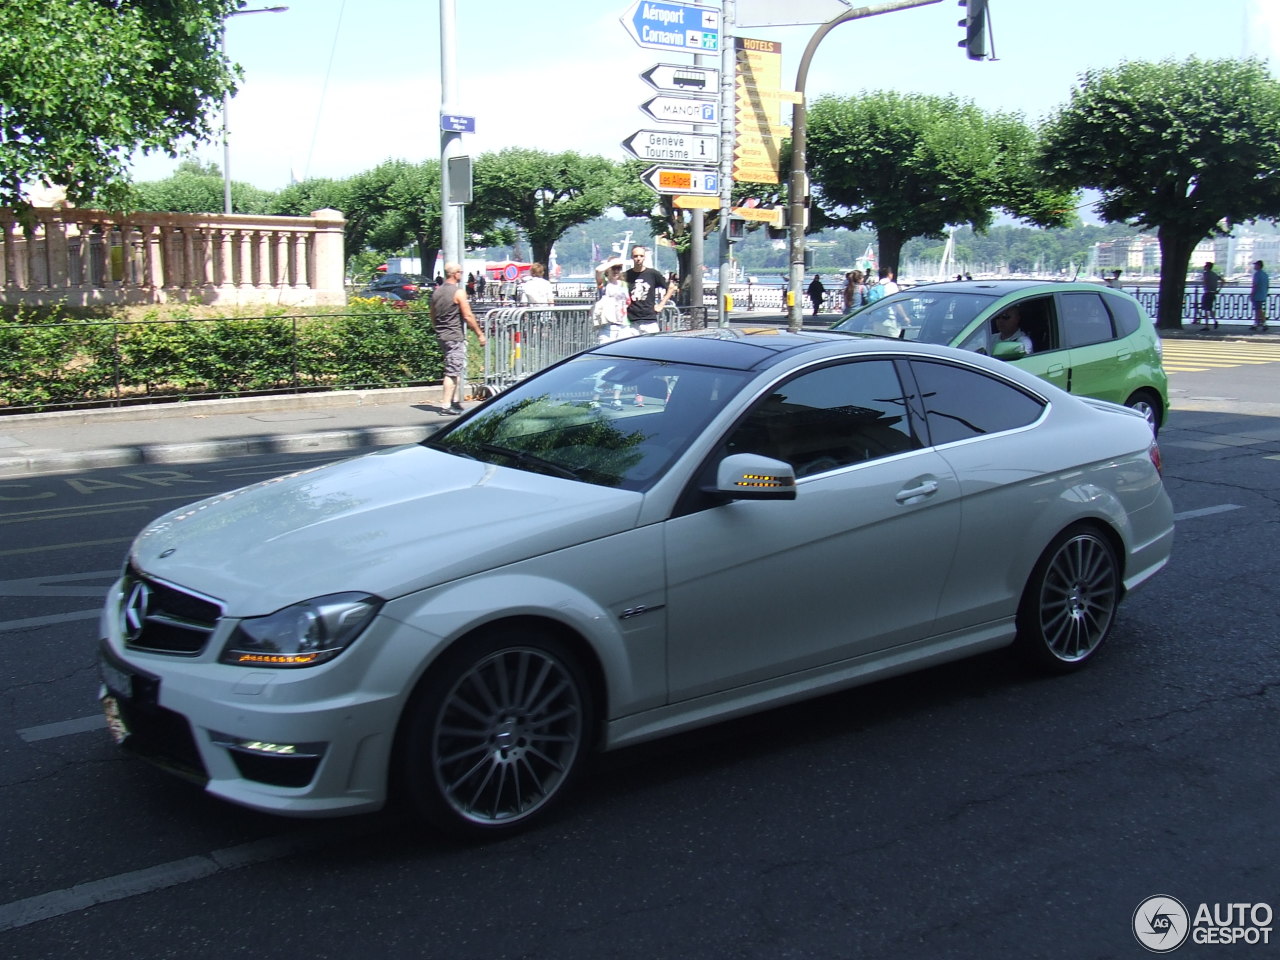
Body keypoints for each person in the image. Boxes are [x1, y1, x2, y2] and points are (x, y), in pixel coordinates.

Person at [429, 262, 487, 416]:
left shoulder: (437, 292)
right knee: (452, 372)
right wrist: (479, 334)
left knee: (457, 368)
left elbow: (432, 315)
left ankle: (455, 402)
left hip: (442, 335)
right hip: (454, 335)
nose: (461, 274)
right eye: (460, 272)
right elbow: (468, 315)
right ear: (455, 274)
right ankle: (446, 405)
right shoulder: (458, 292)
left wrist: (438, 328)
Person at [624, 245, 671, 335]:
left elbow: (671, 288)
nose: (638, 258)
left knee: (652, 347)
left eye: (641, 256)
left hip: (649, 320)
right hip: (631, 321)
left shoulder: (652, 274)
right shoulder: (626, 275)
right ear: (631, 257)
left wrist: (661, 305)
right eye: (636, 256)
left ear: (644, 257)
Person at [1196, 261, 1224, 328]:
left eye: (1205, 266)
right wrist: (1218, 290)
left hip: (1207, 293)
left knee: (1206, 309)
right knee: (1210, 309)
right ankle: (1214, 321)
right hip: (1213, 293)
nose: (1204, 267)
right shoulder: (1214, 274)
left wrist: (1206, 286)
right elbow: (1223, 280)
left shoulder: (1206, 274)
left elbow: (1205, 282)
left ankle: (1207, 325)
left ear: (1208, 267)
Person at [1251, 259, 1270, 332]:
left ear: (1258, 266)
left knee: (1258, 309)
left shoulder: (1257, 274)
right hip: (1263, 294)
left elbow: (1255, 285)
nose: (1254, 266)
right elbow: (1267, 285)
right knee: (1258, 309)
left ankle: (1264, 324)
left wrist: (1252, 294)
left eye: (1255, 265)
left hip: (1257, 294)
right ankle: (1255, 324)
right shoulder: (1265, 274)